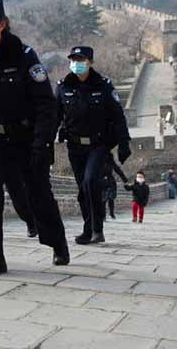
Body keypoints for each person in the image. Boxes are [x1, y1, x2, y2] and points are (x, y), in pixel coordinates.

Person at [0, 0, 70, 275]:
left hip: (26, 137)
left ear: (1, 25)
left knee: (38, 195)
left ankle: (58, 244)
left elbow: (47, 105)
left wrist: (42, 143)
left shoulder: (24, 56)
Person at [56, 45, 132, 245]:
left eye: (81, 60)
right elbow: (54, 116)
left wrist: (124, 142)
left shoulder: (103, 85)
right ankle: (88, 228)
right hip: (74, 146)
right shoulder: (63, 86)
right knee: (82, 189)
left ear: (90, 62)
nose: (76, 63)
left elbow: (117, 115)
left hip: (98, 145)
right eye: (73, 59)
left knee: (91, 182)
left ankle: (98, 228)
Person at [103, 146, 129, 221]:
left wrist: (124, 179)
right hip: (102, 181)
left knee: (111, 198)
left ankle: (111, 213)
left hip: (110, 181)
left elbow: (117, 169)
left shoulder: (110, 160)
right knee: (103, 200)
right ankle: (103, 216)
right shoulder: (98, 160)